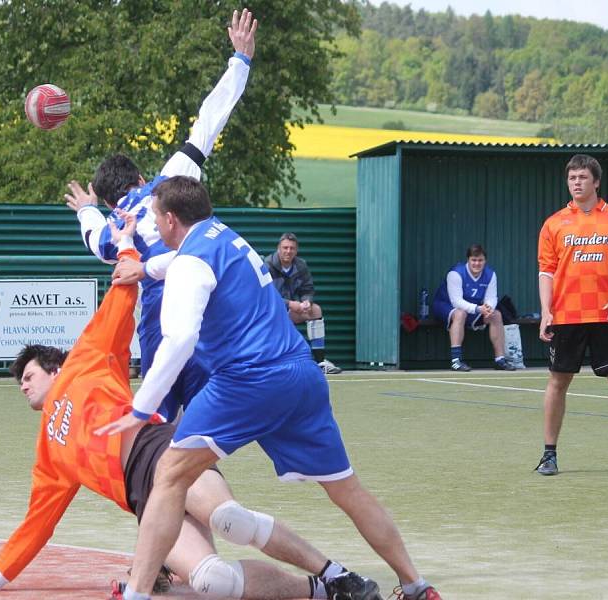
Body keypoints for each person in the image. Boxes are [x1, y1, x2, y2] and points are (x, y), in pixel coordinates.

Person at [0, 215, 383, 600]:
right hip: (142, 498)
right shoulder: (49, 453)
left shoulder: (84, 360)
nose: (24, 387)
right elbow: (38, 521)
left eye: (28, 376)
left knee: (230, 520)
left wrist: (125, 242)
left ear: (54, 368)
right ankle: (319, 591)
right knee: (213, 581)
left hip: (162, 451)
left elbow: (120, 299)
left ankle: (336, 572)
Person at [98, 176, 442, 600]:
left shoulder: (190, 264)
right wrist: (144, 268)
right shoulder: (223, 234)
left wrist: (141, 407)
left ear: (170, 220)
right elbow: (180, 262)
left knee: (169, 475)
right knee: (346, 490)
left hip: (247, 381)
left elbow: (180, 340)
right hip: (301, 375)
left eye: (154, 217)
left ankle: (136, 593)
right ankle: (417, 585)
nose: (153, 224)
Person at [64, 8, 258, 422]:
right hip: (207, 319)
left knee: (161, 432)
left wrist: (85, 209)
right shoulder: (168, 181)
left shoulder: (117, 230)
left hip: (160, 325)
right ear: (139, 175)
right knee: (206, 430)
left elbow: (95, 239)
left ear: (108, 198)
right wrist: (239, 62)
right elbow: (208, 123)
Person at [534, 154, 608, 476]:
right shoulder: (554, 223)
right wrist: (545, 311)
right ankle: (549, 454)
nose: (577, 183)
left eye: (583, 177)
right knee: (558, 381)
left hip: (607, 317)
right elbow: (546, 271)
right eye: (572, 178)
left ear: (596, 181)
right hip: (567, 315)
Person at [264, 232, 342, 374]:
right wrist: (289, 304)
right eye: (285, 247)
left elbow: (308, 289)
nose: (288, 251)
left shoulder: (301, 265)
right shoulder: (267, 265)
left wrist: (307, 301)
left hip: (292, 310)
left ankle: (320, 361)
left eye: (292, 248)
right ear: (278, 248)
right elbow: (267, 296)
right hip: (269, 314)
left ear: (296, 250)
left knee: (315, 310)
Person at [430, 244, 516, 372]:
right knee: (460, 314)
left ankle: (500, 360)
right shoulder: (456, 273)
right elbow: (456, 302)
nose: (477, 263)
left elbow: (492, 297)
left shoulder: (490, 274)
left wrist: (489, 308)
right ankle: (456, 361)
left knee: (496, 315)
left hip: (473, 308)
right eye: (474, 260)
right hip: (445, 306)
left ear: (485, 261)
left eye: (480, 260)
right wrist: (478, 309)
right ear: (468, 260)